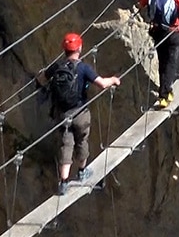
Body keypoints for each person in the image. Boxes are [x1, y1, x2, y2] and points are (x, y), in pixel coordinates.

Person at [37, 32, 121, 196]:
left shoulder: (56, 67)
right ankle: (82, 171)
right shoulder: (83, 68)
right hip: (80, 112)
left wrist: (44, 73)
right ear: (80, 48)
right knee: (82, 140)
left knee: (66, 145)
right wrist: (114, 80)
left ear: (64, 49)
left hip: (61, 114)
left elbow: (41, 79)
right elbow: (102, 84)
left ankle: (63, 182)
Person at [139, 0, 179, 109]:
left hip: (158, 32)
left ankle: (165, 92)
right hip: (173, 33)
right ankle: (164, 94)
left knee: (163, 62)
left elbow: (141, 5)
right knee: (172, 64)